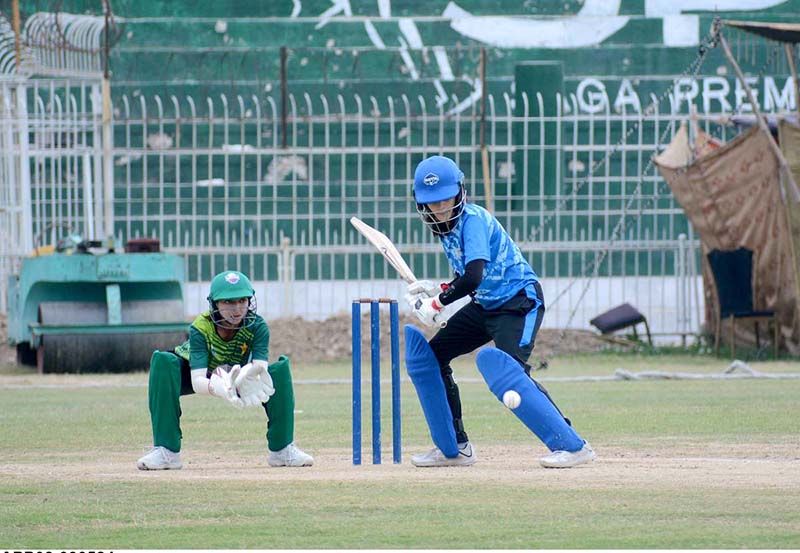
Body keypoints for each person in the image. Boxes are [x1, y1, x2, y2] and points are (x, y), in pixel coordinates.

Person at [403, 155, 596, 469]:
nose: (440, 209)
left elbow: (474, 275)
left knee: (510, 372)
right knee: (432, 357)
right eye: (432, 203)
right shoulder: (445, 231)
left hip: (519, 301)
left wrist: (439, 302)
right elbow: (469, 278)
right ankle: (456, 446)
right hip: (486, 304)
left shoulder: (473, 220)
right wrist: (436, 291)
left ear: (460, 192)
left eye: (445, 200)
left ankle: (572, 445)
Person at [136, 270, 313, 470]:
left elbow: (260, 368)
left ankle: (282, 450)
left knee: (279, 371)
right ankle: (166, 452)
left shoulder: (257, 325)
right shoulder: (201, 328)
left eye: (242, 301)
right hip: (195, 372)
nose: (237, 309)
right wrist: (220, 388)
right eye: (228, 302)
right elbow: (198, 380)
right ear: (215, 304)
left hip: (238, 374)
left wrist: (243, 381)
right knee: (163, 362)